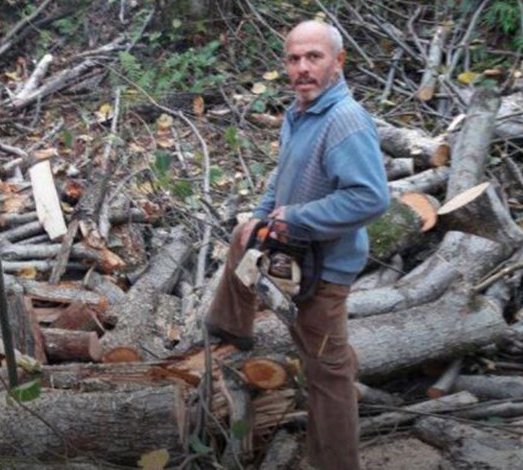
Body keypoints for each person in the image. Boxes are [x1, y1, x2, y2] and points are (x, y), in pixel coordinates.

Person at [204, 20, 390, 470]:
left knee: (327, 375)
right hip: (294, 252)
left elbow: (371, 197)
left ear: (338, 61)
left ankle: (336, 463)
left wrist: (300, 217)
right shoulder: (301, 111)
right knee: (241, 236)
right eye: (293, 59)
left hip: (324, 270)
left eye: (314, 57)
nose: (302, 68)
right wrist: (262, 215)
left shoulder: (344, 120)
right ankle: (232, 327)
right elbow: (283, 175)